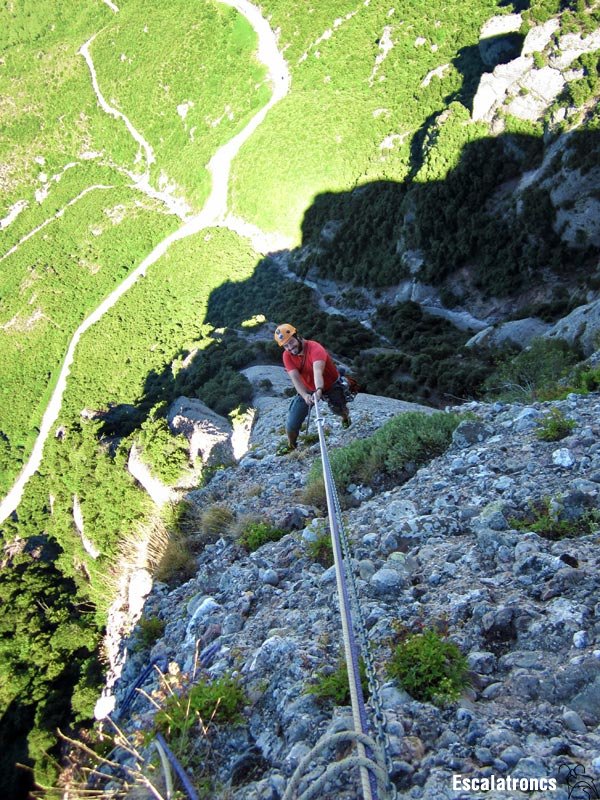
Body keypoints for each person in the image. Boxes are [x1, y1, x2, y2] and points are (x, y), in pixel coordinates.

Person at [274, 323, 351, 451]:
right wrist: (305, 395)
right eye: (285, 346)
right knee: (292, 423)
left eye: (291, 342)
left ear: (297, 336)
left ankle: (345, 418)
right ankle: (291, 445)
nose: (290, 347)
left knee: (339, 410)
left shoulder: (315, 348)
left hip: (329, 385)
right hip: (308, 388)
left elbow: (317, 372)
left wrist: (319, 390)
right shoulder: (287, 356)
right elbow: (295, 379)